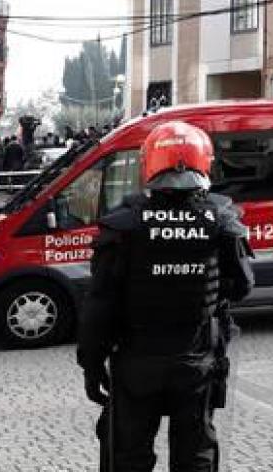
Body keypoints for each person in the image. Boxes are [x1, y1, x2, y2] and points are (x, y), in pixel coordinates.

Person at [77, 121, 252, 472]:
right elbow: (242, 286)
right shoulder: (221, 220)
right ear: (205, 162)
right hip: (196, 360)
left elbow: (99, 307)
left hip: (137, 362)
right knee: (195, 454)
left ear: (149, 164)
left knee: (128, 456)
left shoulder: (124, 226)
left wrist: (92, 366)